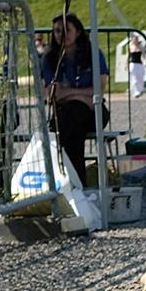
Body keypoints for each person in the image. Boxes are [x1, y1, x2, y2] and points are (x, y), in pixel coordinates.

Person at [39, 13, 109, 187]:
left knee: (71, 118)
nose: (61, 35)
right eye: (57, 31)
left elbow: (100, 88)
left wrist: (68, 93)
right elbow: (53, 94)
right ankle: (77, 181)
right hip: (67, 113)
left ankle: (71, 181)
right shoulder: (49, 59)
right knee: (71, 122)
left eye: (66, 30)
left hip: (94, 112)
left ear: (77, 32)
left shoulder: (93, 54)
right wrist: (81, 96)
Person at [127, 33, 146, 99]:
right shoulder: (130, 46)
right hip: (133, 64)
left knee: (140, 78)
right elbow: (129, 56)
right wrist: (126, 64)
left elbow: (143, 55)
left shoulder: (141, 47)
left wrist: (145, 62)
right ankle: (135, 92)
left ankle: (140, 90)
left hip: (139, 64)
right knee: (134, 78)